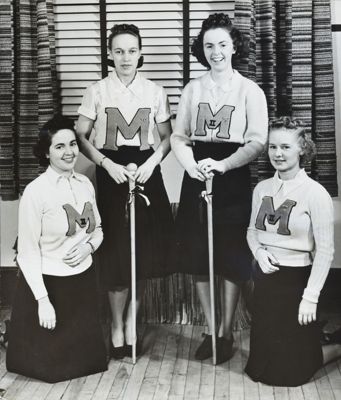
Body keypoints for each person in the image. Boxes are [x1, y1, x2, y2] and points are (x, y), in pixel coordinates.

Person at [170, 13, 268, 364]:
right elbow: (179, 137)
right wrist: (191, 165)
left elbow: (257, 142)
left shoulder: (250, 90)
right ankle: (210, 328)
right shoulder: (192, 89)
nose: (216, 52)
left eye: (222, 45)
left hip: (232, 176)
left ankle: (226, 333)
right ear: (202, 48)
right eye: (209, 45)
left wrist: (224, 166)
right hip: (196, 175)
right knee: (198, 257)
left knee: (229, 258)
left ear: (234, 46)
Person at [76, 23, 173, 359]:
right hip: (112, 173)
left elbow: (167, 138)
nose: (125, 57)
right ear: (109, 54)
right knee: (117, 254)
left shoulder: (155, 91)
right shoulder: (97, 91)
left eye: (132, 50)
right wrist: (106, 165)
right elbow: (80, 137)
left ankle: (133, 321)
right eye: (118, 51)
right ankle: (116, 326)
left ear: (141, 53)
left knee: (143, 254)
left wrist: (151, 164)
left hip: (146, 172)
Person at [6, 115, 107, 383]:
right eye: (59, 146)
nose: (69, 152)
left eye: (72, 144)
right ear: (46, 152)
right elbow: (27, 253)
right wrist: (42, 301)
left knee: (90, 364)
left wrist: (88, 247)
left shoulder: (85, 184)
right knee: (51, 371)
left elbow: (98, 231)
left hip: (82, 284)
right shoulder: (35, 192)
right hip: (48, 287)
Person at [245, 116, 341, 386]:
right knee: (258, 370)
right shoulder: (262, 188)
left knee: (288, 375)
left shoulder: (315, 193)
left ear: (302, 149)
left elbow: (325, 252)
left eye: (286, 147)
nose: (278, 153)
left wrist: (310, 297)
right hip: (264, 280)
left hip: (297, 283)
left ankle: (336, 346)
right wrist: (259, 253)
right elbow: (252, 232)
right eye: (273, 147)